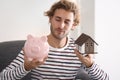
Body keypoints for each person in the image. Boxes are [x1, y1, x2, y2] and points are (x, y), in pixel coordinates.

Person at [0, 0, 109, 80]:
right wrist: (25, 67)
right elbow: (3, 77)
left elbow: (106, 78)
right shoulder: (34, 46)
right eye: (57, 19)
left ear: (73, 25)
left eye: (67, 21)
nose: (61, 26)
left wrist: (90, 65)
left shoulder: (81, 45)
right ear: (50, 19)